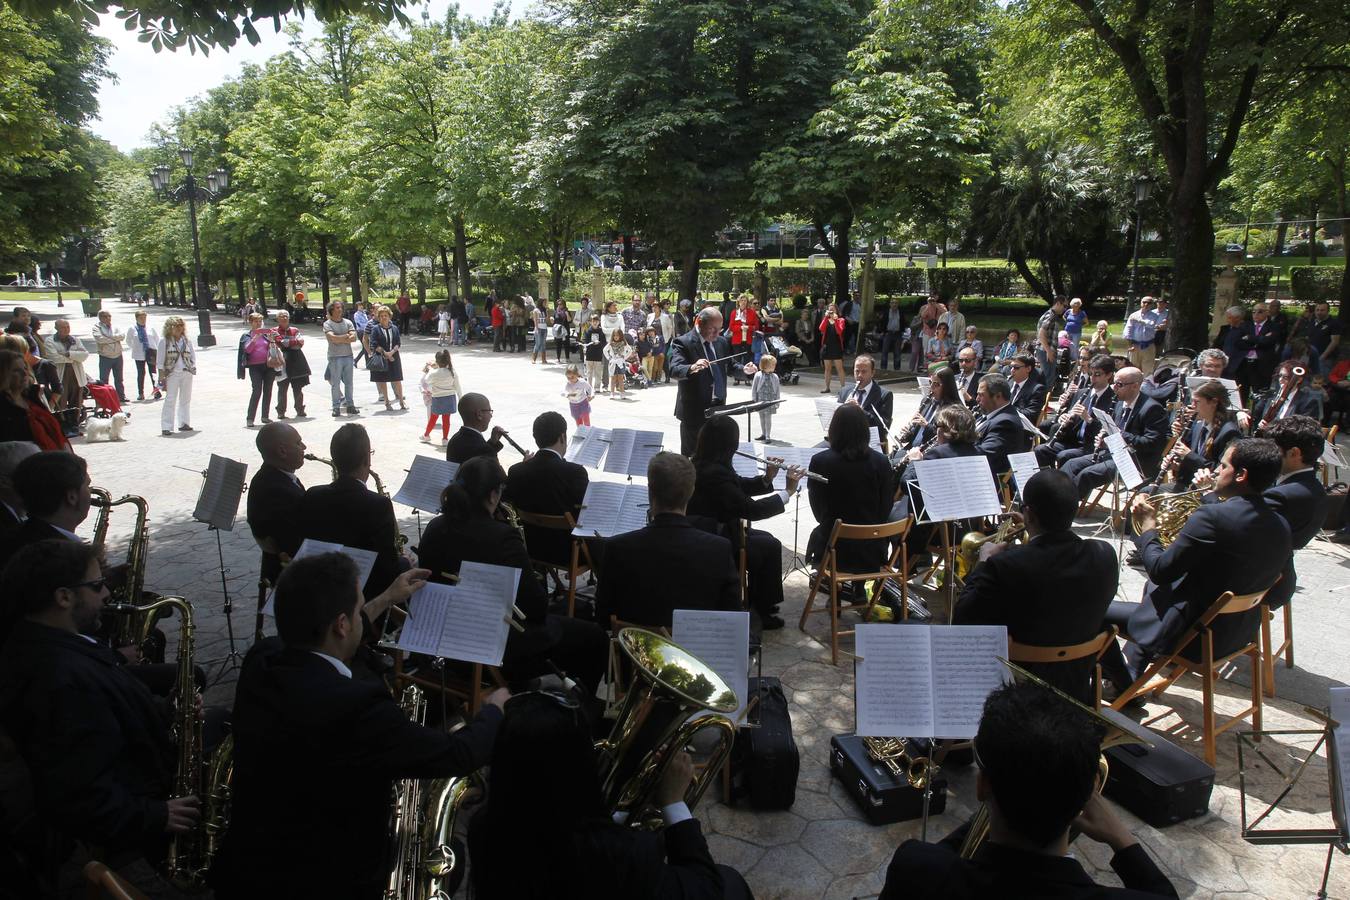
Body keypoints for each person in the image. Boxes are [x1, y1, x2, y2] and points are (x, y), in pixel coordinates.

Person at [210, 552, 505, 900]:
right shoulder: (356, 706)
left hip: (249, 865)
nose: (361, 616)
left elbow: (334, 632)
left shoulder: (261, 660)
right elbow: (458, 755)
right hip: (328, 879)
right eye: (359, 608)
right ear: (341, 624)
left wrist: (385, 598)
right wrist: (494, 709)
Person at [0, 540, 203, 898]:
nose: (107, 593)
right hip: (143, 816)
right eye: (96, 586)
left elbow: (109, 717)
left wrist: (167, 711)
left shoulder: (51, 645)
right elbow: (79, 795)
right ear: (63, 597)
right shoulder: (60, 680)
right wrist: (157, 815)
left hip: (142, 776)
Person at [880, 682, 1178, 900]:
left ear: (982, 785)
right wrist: (1123, 840)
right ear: (1087, 797)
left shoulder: (917, 869)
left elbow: (940, 857)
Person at [468, 690, 753, 900]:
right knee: (731, 883)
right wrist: (674, 802)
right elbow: (705, 890)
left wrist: (624, 810)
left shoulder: (482, 827)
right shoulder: (622, 855)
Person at [1101, 439, 1291, 691]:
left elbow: (1160, 570)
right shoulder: (1281, 524)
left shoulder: (1212, 517)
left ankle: (1121, 682)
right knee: (1153, 593)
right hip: (1236, 636)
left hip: (1192, 638)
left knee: (1091, 610)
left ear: (1241, 475)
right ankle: (1131, 672)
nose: (1215, 472)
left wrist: (1147, 528)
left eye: (1223, 467)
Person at [417, 456, 608, 692]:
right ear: (492, 495)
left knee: (565, 618)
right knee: (595, 637)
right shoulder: (501, 537)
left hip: (445, 638)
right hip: (495, 648)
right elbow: (536, 609)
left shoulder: (434, 528)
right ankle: (582, 709)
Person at [955, 470, 1118, 703]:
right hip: (1074, 688)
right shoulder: (1104, 555)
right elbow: (1056, 577)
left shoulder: (1003, 566)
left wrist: (983, 563)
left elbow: (962, 619)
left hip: (1016, 689)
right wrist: (1033, 532)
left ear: (1029, 513)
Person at [595, 452, 739, 629]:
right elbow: (732, 620)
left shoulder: (616, 547)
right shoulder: (719, 549)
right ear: (691, 491)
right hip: (695, 654)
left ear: (650, 490)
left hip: (633, 653)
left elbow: (603, 617)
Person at [688, 415, 802, 630]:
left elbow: (737, 485)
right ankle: (762, 610)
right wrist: (787, 491)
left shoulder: (704, 463)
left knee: (766, 540)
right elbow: (750, 509)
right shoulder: (715, 474)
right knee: (770, 545)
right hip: (718, 539)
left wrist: (767, 479)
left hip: (713, 531)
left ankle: (760, 601)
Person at [296, 424, 402, 599]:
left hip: (321, 585)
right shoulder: (377, 504)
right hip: (363, 593)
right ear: (366, 459)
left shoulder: (312, 495)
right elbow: (387, 568)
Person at [806, 404, 894, 576]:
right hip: (873, 551)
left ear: (834, 429)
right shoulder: (882, 462)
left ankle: (835, 592)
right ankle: (858, 589)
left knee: (821, 530)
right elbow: (885, 508)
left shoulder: (820, 461)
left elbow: (818, 513)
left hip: (834, 549)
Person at [1061, 367, 1168, 500]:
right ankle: (1062, 499)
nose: (1114, 388)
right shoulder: (1119, 403)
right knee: (1071, 464)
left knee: (1086, 474)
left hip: (1134, 461)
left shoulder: (1152, 409)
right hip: (1113, 454)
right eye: (1114, 383)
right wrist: (1104, 441)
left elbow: (1153, 443)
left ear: (1135, 386)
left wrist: (1120, 435)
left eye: (1120, 384)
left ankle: (1066, 505)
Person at [1256, 415, 1328, 613]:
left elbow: (1241, 529)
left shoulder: (1283, 495)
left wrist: (1213, 494)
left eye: (1274, 450)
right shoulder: (1313, 487)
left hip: (1263, 585)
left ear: (1294, 453)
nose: (1269, 455)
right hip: (1279, 577)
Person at [503, 411, 589, 569]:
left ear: (536, 439)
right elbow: (587, 514)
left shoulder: (516, 471)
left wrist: (524, 465)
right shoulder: (575, 472)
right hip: (570, 553)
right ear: (562, 437)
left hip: (533, 549)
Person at [668, 308, 752, 456]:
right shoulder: (683, 342)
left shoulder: (721, 342)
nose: (716, 334)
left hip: (718, 408)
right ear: (699, 323)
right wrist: (692, 367)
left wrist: (744, 370)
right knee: (693, 457)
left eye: (720, 329)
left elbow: (730, 365)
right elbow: (675, 369)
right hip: (695, 412)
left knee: (715, 456)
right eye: (712, 329)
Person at [246, 422, 307, 585]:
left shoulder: (268, 476)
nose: (304, 447)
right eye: (298, 443)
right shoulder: (278, 491)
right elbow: (297, 545)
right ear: (282, 451)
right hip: (290, 574)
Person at [1034, 355, 1116, 468]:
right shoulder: (1081, 393)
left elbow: (1109, 431)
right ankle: (1050, 478)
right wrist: (1063, 418)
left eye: (1097, 374)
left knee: (1064, 456)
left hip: (1091, 446)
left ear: (1109, 375)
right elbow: (1067, 414)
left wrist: (1089, 419)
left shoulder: (1113, 400)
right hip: (1072, 440)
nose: (1092, 378)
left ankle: (1063, 482)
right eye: (1091, 374)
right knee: (1040, 450)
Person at [1162, 379, 1242, 489]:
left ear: (1214, 402)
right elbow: (1194, 464)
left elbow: (1221, 470)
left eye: (1197, 402)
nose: (1192, 406)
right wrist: (1177, 466)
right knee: (1146, 492)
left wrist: (1189, 456)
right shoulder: (1198, 425)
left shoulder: (1229, 432)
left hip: (1209, 490)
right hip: (1191, 485)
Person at [0, 350, 69, 451]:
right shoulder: (4, 410)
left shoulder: (32, 398)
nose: (24, 373)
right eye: (16, 370)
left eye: (25, 368)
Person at [973, 373, 1030, 476]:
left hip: (986, 477)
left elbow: (984, 455)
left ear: (998, 396)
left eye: (981, 395)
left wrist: (956, 444)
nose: (977, 399)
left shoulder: (1006, 423)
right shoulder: (990, 414)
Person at [896, 368, 958, 455]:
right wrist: (908, 433)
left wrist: (926, 425)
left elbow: (946, 437)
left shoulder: (952, 409)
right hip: (912, 448)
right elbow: (917, 432)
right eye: (930, 383)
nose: (931, 387)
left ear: (947, 386)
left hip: (928, 452)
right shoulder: (927, 401)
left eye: (936, 384)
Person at [836, 354, 894, 448]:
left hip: (867, 444)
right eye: (857, 371)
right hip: (843, 441)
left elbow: (884, 428)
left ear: (872, 373)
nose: (859, 375)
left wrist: (860, 411)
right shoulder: (844, 391)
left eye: (864, 372)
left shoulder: (885, 395)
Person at [43, 318, 89, 435]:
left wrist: (69, 354)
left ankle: (74, 425)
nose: (66, 329)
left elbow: (84, 355)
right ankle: (63, 426)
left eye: (68, 327)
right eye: (63, 327)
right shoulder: (50, 341)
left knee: (76, 400)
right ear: (57, 328)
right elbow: (53, 357)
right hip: (60, 374)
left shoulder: (75, 340)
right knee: (61, 401)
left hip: (76, 373)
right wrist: (74, 358)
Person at [237, 312, 277, 428]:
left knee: (268, 391)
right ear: (251, 322)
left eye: (260, 321)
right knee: (257, 391)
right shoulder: (247, 336)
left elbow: (273, 350)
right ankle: (250, 418)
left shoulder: (266, 335)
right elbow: (247, 350)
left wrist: (272, 340)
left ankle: (265, 416)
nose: (259, 324)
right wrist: (255, 338)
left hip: (268, 366)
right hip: (255, 367)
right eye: (256, 321)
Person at [157, 316, 196, 436]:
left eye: (181, 325)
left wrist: (191, 368)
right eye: (176, 326)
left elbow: (193, 356)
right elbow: (160, 361)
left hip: (186, 372)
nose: (179, 328)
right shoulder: (165, 341)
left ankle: (184, 423)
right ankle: (167, 426)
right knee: (170, 399)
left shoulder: (186, 340)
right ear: (169, 327)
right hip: (172, 374)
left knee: (185, 399)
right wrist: (161, 377)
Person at [446, 392, 508, 464]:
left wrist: (492, 442)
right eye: (489, 411)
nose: (491, 416)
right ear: (479, 415)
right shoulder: (481, 448)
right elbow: (496, 474)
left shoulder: (454, 439)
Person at [1252, 360, 1320, 423]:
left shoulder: (1308, 402)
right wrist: (1242, 414)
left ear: (1299, 380)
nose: (1280, 380)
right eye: (1280, 376)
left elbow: (1305, 428)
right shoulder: (1270, 395)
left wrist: (1274, 428)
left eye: (1286, 377)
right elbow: (1254, 413)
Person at [323, 300, 360, 417]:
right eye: (337, 308)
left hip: (348, 356)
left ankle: (350, 405)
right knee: (336, 383)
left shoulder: (348, 322)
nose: (340, 310)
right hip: (335, 357)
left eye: (340, 308)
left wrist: (339, 338)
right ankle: (336, 407)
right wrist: (345, 337)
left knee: (349, 383)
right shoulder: (327, 324)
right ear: (331, 310)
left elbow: (354, 338)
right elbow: (332, 339)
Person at [272, 309, 310, 419]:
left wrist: (287, 342)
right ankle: (281, 411)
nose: (284, 318)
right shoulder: (274, 330)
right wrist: (292, 341)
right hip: (282, 361)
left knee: (298, 387)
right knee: (282, 387)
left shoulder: (295, 330)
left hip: (296, 361)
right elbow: (280, 343)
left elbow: (300, 343)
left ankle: (300, 409)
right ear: (278, 319)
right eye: (282, 316)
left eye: (286, 316)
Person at [419, 349, 461, 445]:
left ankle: (426, 435)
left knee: (433, 418)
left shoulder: (434, 373)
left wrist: (431, 369)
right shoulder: (452, 372)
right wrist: (460, 398)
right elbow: (458, 387)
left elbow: (426, 380)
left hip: (438, 398)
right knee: (446, 420)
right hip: (450, 398)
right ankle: (445, 439)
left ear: (437, 361)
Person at [368, 306, 406, 410]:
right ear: (378, 317)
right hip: (382, 357)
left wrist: (392, 352)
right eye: (381, 316)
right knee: (383, 379)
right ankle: (386, 401)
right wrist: (386, 354)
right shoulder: (375, 329)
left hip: (394, 356)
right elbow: (374, 344)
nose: (384, 318)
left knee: (397, 379)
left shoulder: (394, 328)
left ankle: (402, 402)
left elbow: (398, 342)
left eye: (386, 315)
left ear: (389, 316)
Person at [0, 440, 38, 534]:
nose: (48, 481)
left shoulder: (19, 512)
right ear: (5, 482)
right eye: (38, 474)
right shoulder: (7, 531)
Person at [92, 310, 128, 403]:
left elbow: (122, 336)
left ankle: (121, 396)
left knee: (119, 378)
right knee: (104, 379)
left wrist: (109, 337)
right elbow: (100, 339)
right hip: (105, 356)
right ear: (100, 318)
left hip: (118, 355)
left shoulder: (115, 326)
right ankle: (105, 398)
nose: (108, 318)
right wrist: (115, 338)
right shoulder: (97, 327)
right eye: (105, 316)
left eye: (109, 316)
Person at [128, 310, 162, 402]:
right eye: (141, 318)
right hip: (139, 354)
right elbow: (128, 341)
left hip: (151, 352)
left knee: (153, 372)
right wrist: (135, 348)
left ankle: (156, 391)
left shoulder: (150, 328)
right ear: (137, 318)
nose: (143, 320)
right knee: (141, 373)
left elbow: (157, 340)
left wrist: (158, 351)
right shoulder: (132, 329)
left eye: (144, 317)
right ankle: (140, 393)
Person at [1006, 353, 1046, 421]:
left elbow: (1030, 414)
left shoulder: (1037, 390)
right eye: (1011, 367)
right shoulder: (1007, 383)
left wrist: (1005, 407)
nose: (1012, 370)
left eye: (1016, 367)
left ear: (1028, 369)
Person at [1036, 296, 1067, 385]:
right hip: (1045, 351)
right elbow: (1041, 334)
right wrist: (1049, 351)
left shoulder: (1051, 315)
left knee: (1048, 377)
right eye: (1064, 306)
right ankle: (1042, 398)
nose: (1065, 309)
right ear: (1058, 303)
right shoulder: (1050, 316)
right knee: (1047, 378)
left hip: (1045, 350)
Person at [818, 303, 848, 393]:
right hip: (827, 346)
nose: (831, 312)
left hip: (836, 346)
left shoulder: (841, 320)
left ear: (836, 311)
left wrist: (835, 320)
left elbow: (839, 331)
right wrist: (826, 317)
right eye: (830, 310)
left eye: (833, 310)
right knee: (827, 369)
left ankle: (843, 388)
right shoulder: (826, 320)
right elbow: (821, 328)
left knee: (839, 368)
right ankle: (827, 387)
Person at [750, 355, 780, 442]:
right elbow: (754, 388)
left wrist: (777, 401)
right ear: (765, 366)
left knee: (768, 418)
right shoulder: (758, 375)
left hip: (770, 401)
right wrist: (753, 399)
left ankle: (768, 435)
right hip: (760, 400)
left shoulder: (775, 377)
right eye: (772, 365)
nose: (774, 366)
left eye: (774, 365)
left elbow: (777, 390)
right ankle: (763, 433)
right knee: (761, 417)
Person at [1306, 301, 1342, 365]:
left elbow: (1334, 342)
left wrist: (1322, 357)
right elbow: (1308, 337)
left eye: (1322, 310)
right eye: (1317, 310)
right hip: (1310, 356)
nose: (1319, 312)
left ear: (1328, 311)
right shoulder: (1312, 322)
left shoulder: (1334, 323)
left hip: (1326, 359)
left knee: (1322, 374)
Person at [728, 294, 759, 360]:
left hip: (748, 341)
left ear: (747, 302)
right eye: (741, 300)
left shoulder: (752, 312)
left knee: (747, 360)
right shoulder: (734, 312)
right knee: (737, 360)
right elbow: (731, 327)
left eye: (745, 300)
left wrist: (748, 327)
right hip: (736, 340)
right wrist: (740, 327)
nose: (743, 302)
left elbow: (756, 327)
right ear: (738, 302)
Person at [583, 312, 607, 391]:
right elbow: (585, 341)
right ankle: (589, 387)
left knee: (598, 372)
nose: (595, 323)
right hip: (589, 355)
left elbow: (604, 342)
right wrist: (588, 344)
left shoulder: (601, 331)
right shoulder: (587, 331)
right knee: (589, 372)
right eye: (593, 321)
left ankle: (597, 387)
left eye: (596, 321)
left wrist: (599, 343)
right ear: (590, 322)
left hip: (598, 355)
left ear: (599, 322)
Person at [605, 328, 632, 397]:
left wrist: (624, 357)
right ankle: (612, 393)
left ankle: (622, 393)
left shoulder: (624, 343)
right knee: (613, 378)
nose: (616, 337)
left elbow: (630, 350)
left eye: (617, 335)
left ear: (621, 336)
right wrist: (609, 358)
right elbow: (604, 350)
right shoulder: (610, 344)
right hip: (613, 362)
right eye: (614, 335)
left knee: (620, 378)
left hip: (621, 363)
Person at [531, 297, 552, 364]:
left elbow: (546, 320)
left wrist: (548, 313)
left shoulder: (544, 310)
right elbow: (535, 320)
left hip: (544, 328)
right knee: (538, 344)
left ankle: (544, 359)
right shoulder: (536, 310)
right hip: (538, 329)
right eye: (544, 302)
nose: (545, 303)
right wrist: (536, 328)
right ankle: (533, 359)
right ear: (541, 302)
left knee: (543, 344)